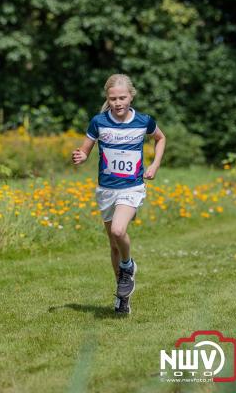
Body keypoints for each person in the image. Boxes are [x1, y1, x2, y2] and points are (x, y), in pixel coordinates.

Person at [72, 74, 166, 314]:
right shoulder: (99, 122)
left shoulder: (143, 121)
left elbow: (160, 138)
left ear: (131, 96)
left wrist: (154, 165)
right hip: (106, 190)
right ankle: (122, 296)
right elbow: (85, 151)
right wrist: (81, 157)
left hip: (132, 188)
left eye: (122, 97)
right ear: (107, 99)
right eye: (113, 98)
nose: (118, 102)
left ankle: (128, 264)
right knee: (113, 245)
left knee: (118, 230)